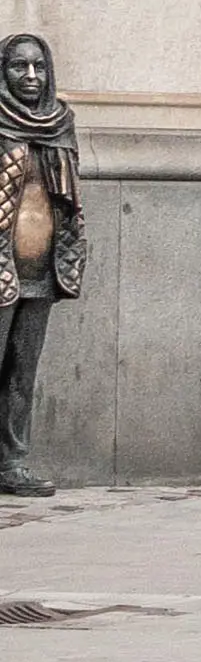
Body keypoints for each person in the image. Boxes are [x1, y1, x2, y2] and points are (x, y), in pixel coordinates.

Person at [0, 31, 82, 496]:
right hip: (0, 263)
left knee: (22, 372)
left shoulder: (59, 123)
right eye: (18, 67)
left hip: (43, 268)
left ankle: (13, 462)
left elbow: (68, 202)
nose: (31, 76)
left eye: (39, 67)